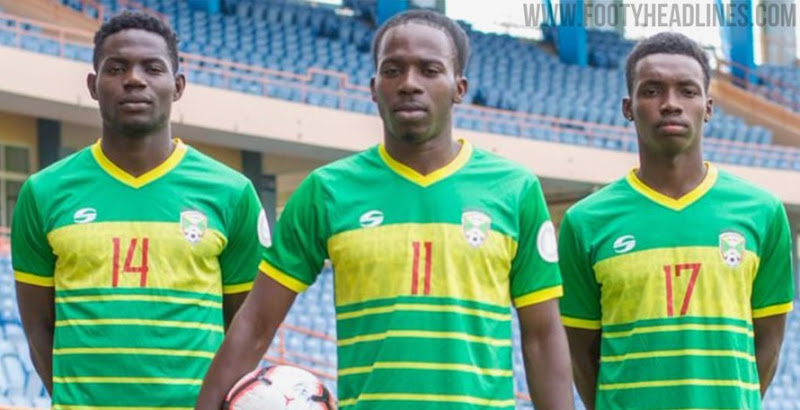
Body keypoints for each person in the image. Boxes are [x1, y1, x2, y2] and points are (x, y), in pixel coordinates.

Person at [197, 9, 573, 410]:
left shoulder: (514, 189)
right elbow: (256, 323)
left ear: (459, 87)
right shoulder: (326, 191)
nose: (409, 83)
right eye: (393, 70)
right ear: (374, 87)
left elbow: (542, 336)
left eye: (429, 70)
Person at [12, 11, 266, 408]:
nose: (134, 79)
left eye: (153, 68)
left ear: (177, 86)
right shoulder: (43, 192)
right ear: (93, 86)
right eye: (116, 68)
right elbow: (38, 331)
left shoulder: (232, 193)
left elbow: (244, 330)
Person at [559, 32, 794, 410]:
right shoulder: (585, 222)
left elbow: (769, 341)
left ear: (708, 107)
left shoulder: (762, 212)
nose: (670, 104)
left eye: (687, 91)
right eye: (652, 91)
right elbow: (581, 353)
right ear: (628, 107)